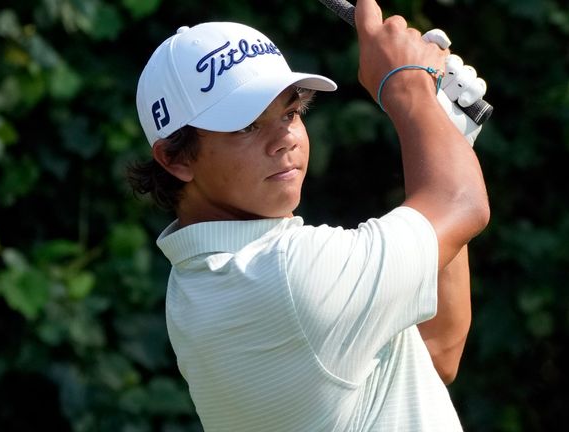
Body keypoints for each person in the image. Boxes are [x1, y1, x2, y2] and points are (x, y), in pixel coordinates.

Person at [128, 0, 489, 430]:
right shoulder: (284, 275)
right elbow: (461, 204)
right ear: (174, 157)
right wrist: (404, 83)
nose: (285, 139)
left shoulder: (199, 285)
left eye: (291, 112)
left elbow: (435, 351)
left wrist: (445, 135)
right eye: (246, 125)